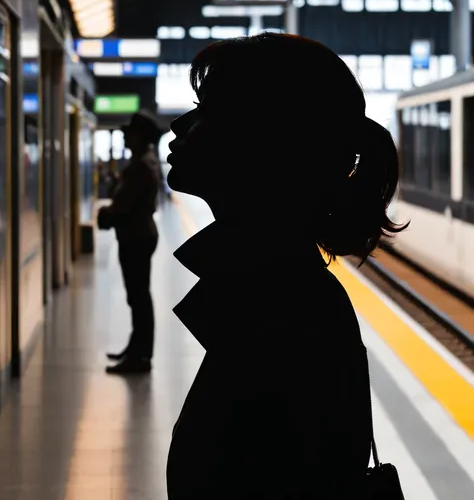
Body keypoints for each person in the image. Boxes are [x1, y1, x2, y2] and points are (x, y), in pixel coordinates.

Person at [165, 33, 407, 499]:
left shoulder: (286, 310)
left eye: (207, 110)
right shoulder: (281, 287)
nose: (180, 125)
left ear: (264, 138)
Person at [98, 110, 161, 375]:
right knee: (138, 296)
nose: (125, 138)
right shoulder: (144, 162)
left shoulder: (140, 167)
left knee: (138, 297)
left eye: (129, 135)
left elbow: (120, 206)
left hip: (135, 237)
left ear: (141, 137)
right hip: (139, 235)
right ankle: (136, 348)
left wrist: (105, 214)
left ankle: (140, 356)